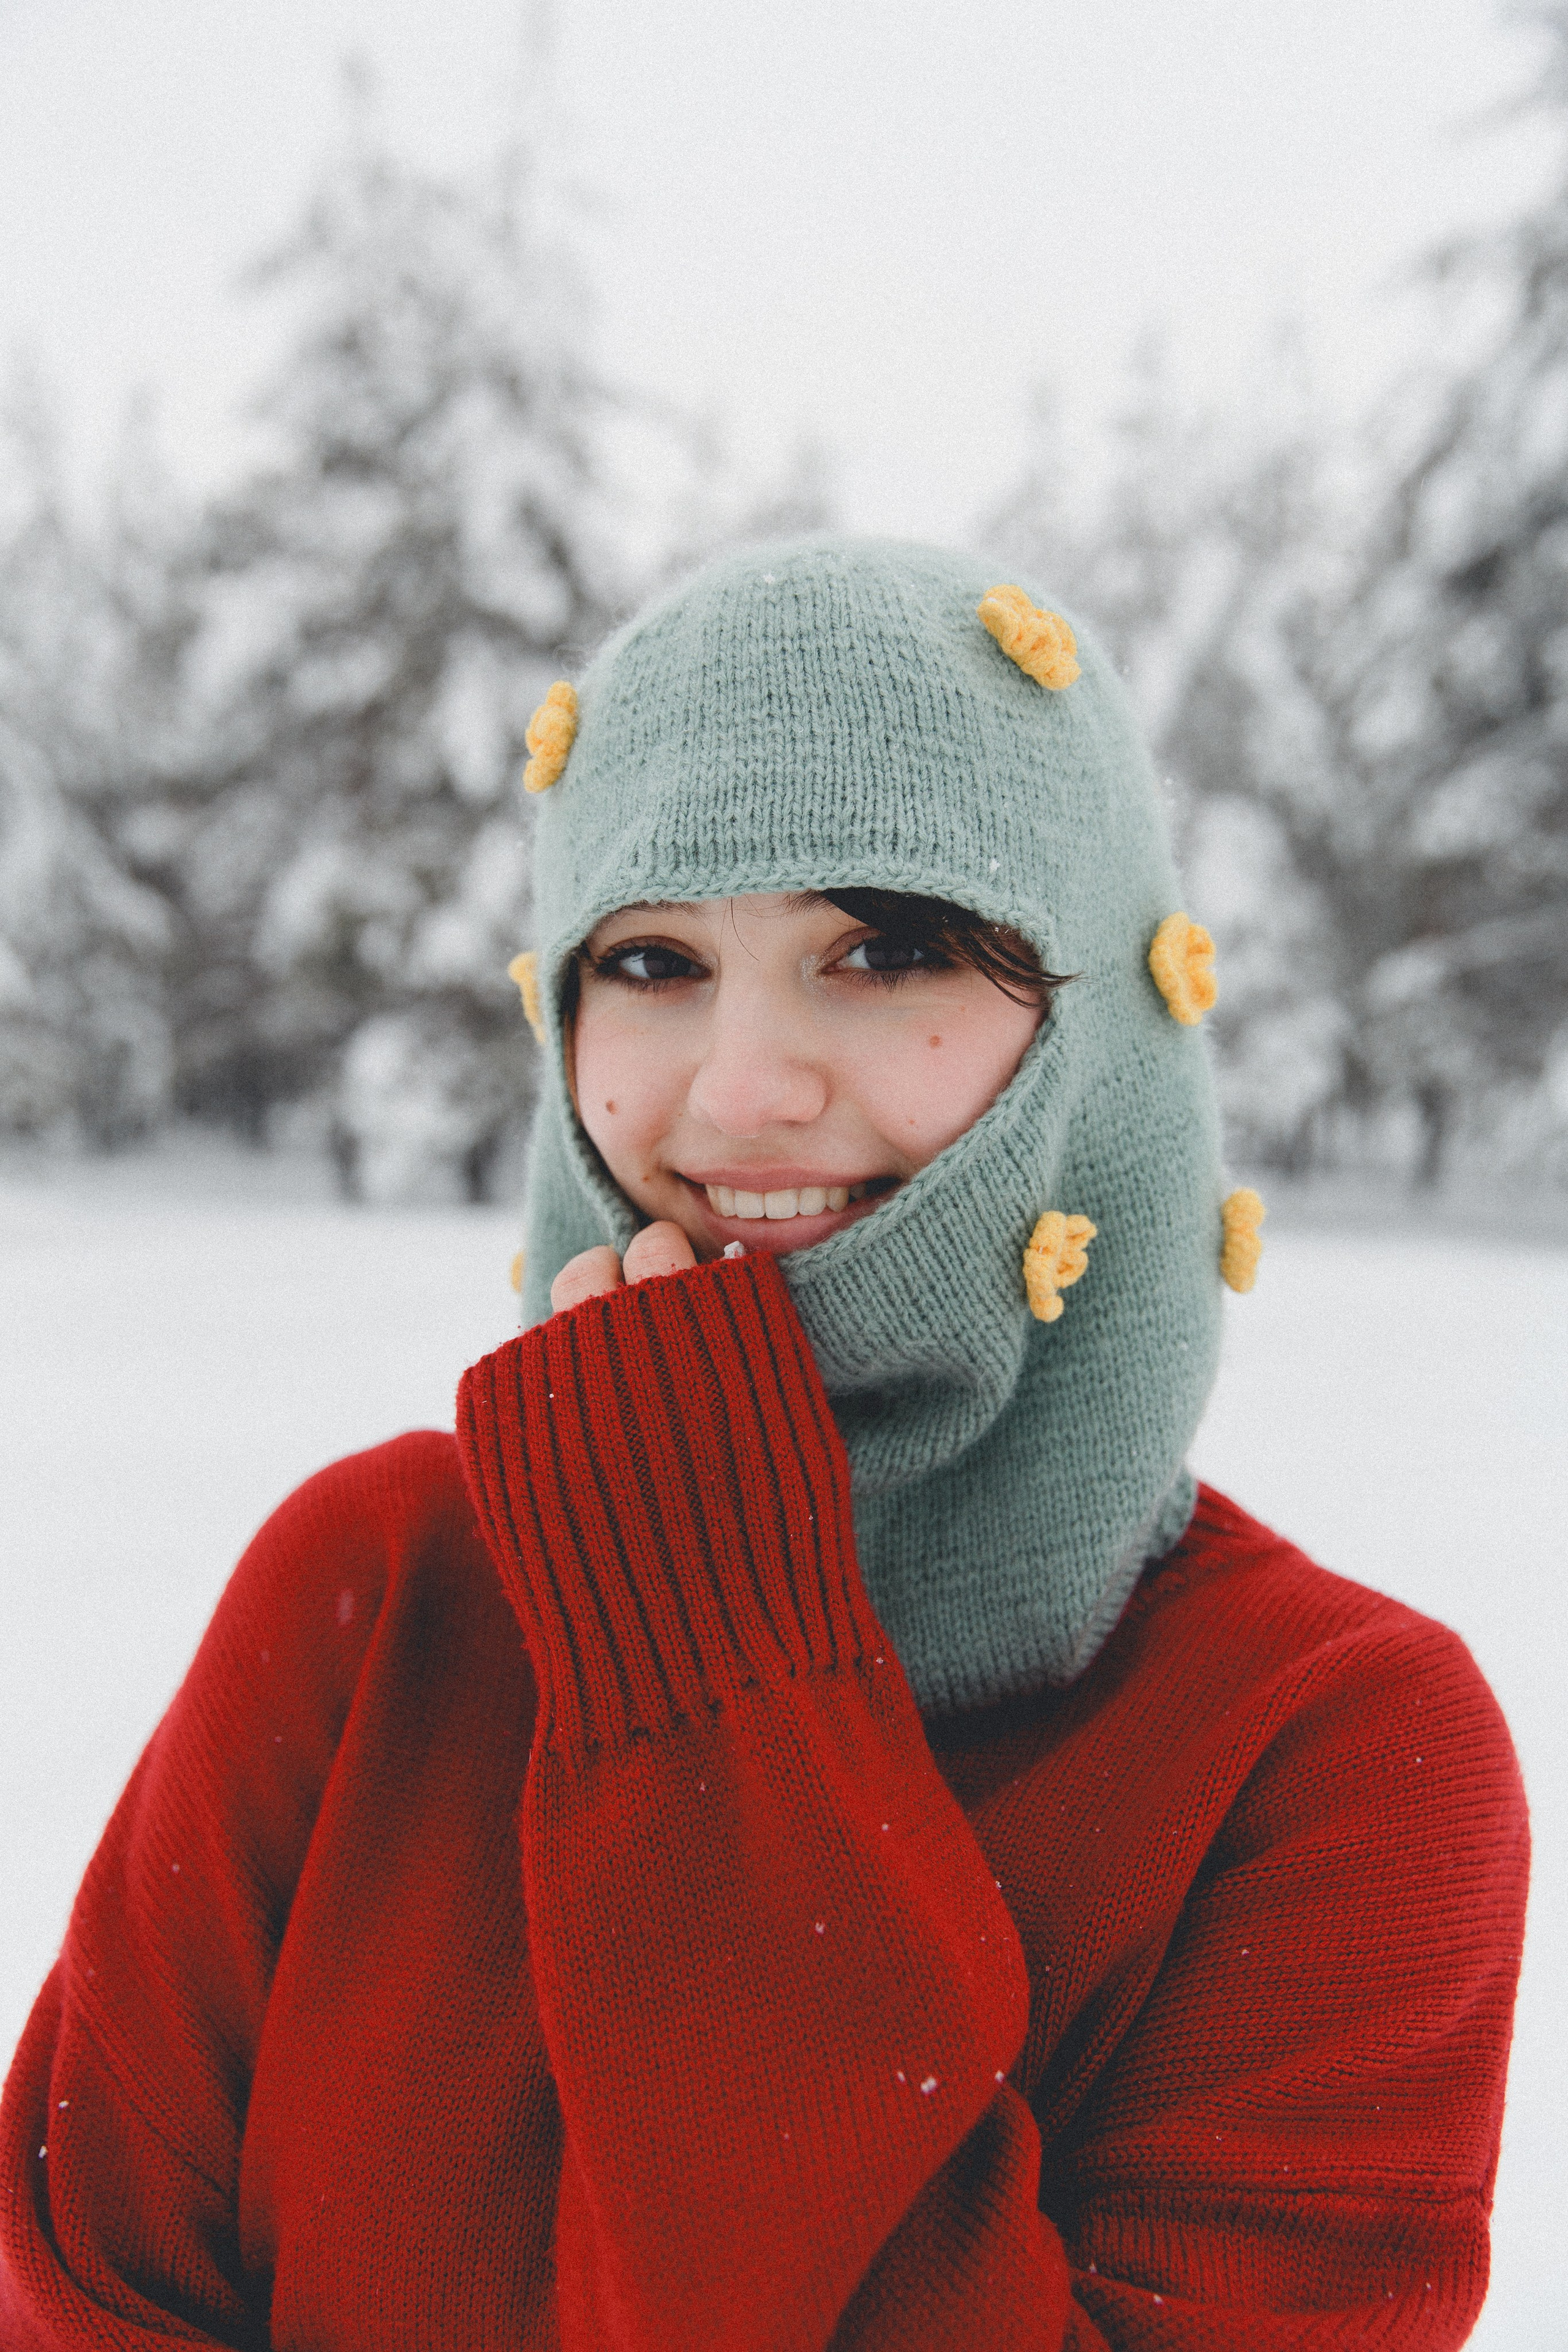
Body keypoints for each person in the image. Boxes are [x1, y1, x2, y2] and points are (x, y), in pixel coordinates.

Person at [0, 538, 1529, 2350]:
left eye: (884, 949)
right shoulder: (377, 1593)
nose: (739, 1088)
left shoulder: (1331, 1753)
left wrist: (705, 1659)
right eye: (651, 960)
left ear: (1102, 1014)